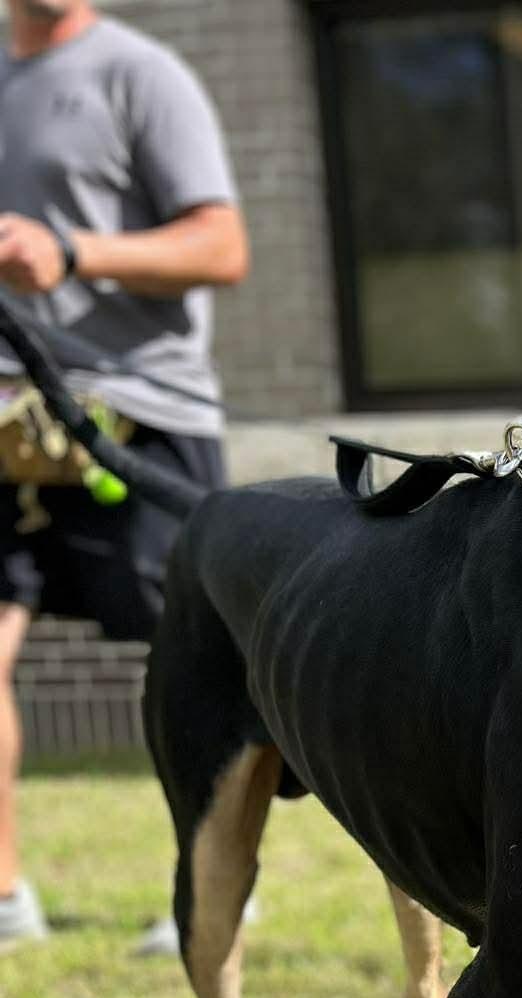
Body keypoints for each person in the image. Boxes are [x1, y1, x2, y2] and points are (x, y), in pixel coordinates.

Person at [0, 0, 248, 944]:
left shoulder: (142, 75)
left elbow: (224, 246)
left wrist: (69, 254)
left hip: (141, 415)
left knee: (195, 655)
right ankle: (5, 899)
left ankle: (217, 883)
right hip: (12, 423)